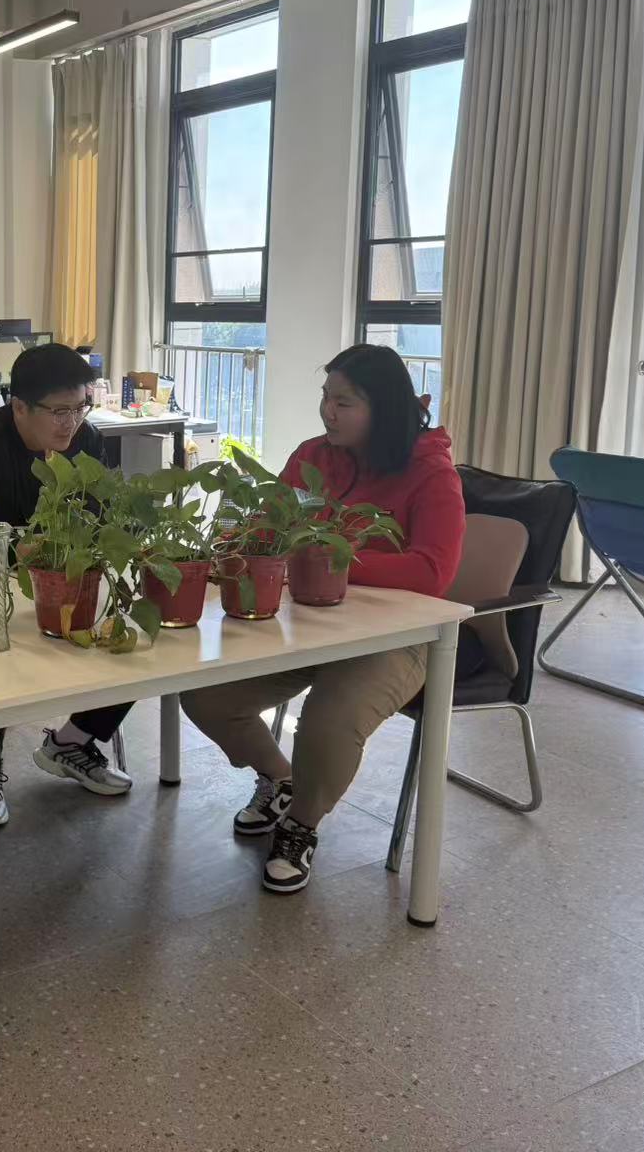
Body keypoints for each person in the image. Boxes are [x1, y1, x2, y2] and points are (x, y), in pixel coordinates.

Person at [182, 344, 465, 894]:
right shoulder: (314, 455)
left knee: (329, 721)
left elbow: (433, 572)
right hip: (309, 624)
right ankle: (280, 778)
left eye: (344, 402)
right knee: (204, 692)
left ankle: (301, 824)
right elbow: (270, 526)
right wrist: (244, 542)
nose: (328, 412)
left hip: (394, 638)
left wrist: (330, 558)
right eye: (325, 397)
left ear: (383, 408)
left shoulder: (431, 472)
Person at [0, 341, 136, 827]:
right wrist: (9, 550)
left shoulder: (87, 441)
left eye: (81, 407)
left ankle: (73, 742)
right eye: (59, 411)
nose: (72, 423)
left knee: (128, 636)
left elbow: (107, 512)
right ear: (19, 406)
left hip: (70, 582)